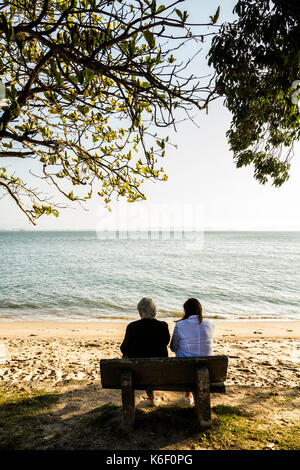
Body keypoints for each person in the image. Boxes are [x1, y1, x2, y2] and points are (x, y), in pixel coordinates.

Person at [120, 297, 170, 405]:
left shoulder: (132, 327)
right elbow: (165, 342)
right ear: (154, 311)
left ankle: (148, 397)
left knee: (127, 355)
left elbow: (123, 348)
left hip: (137, 374)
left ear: (140, 312)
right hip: (160, 372)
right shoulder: (163, 326)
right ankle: (152, 396)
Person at [170, 298, 214, 405]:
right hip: (208, 368)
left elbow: (173, 348)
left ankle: (188, 395)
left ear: (186, 311)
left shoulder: (180, 325)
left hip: (186, 370)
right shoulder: (210, 323)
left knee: (184, 354)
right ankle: (192, 395)